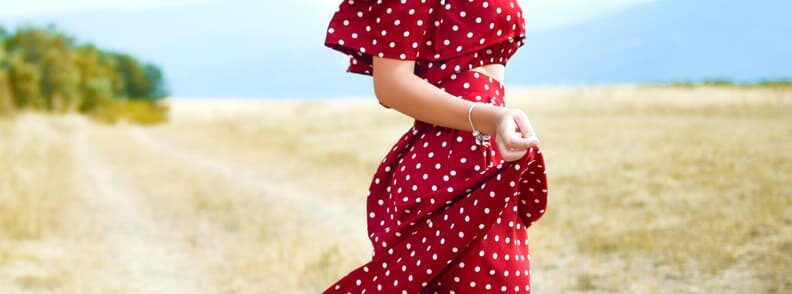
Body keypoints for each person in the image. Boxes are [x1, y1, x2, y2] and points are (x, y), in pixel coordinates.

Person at [322, 0, 549, 292]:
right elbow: (390, 84)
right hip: (447, 161)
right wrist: (489, 118)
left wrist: (494, 120)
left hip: (486, 146)